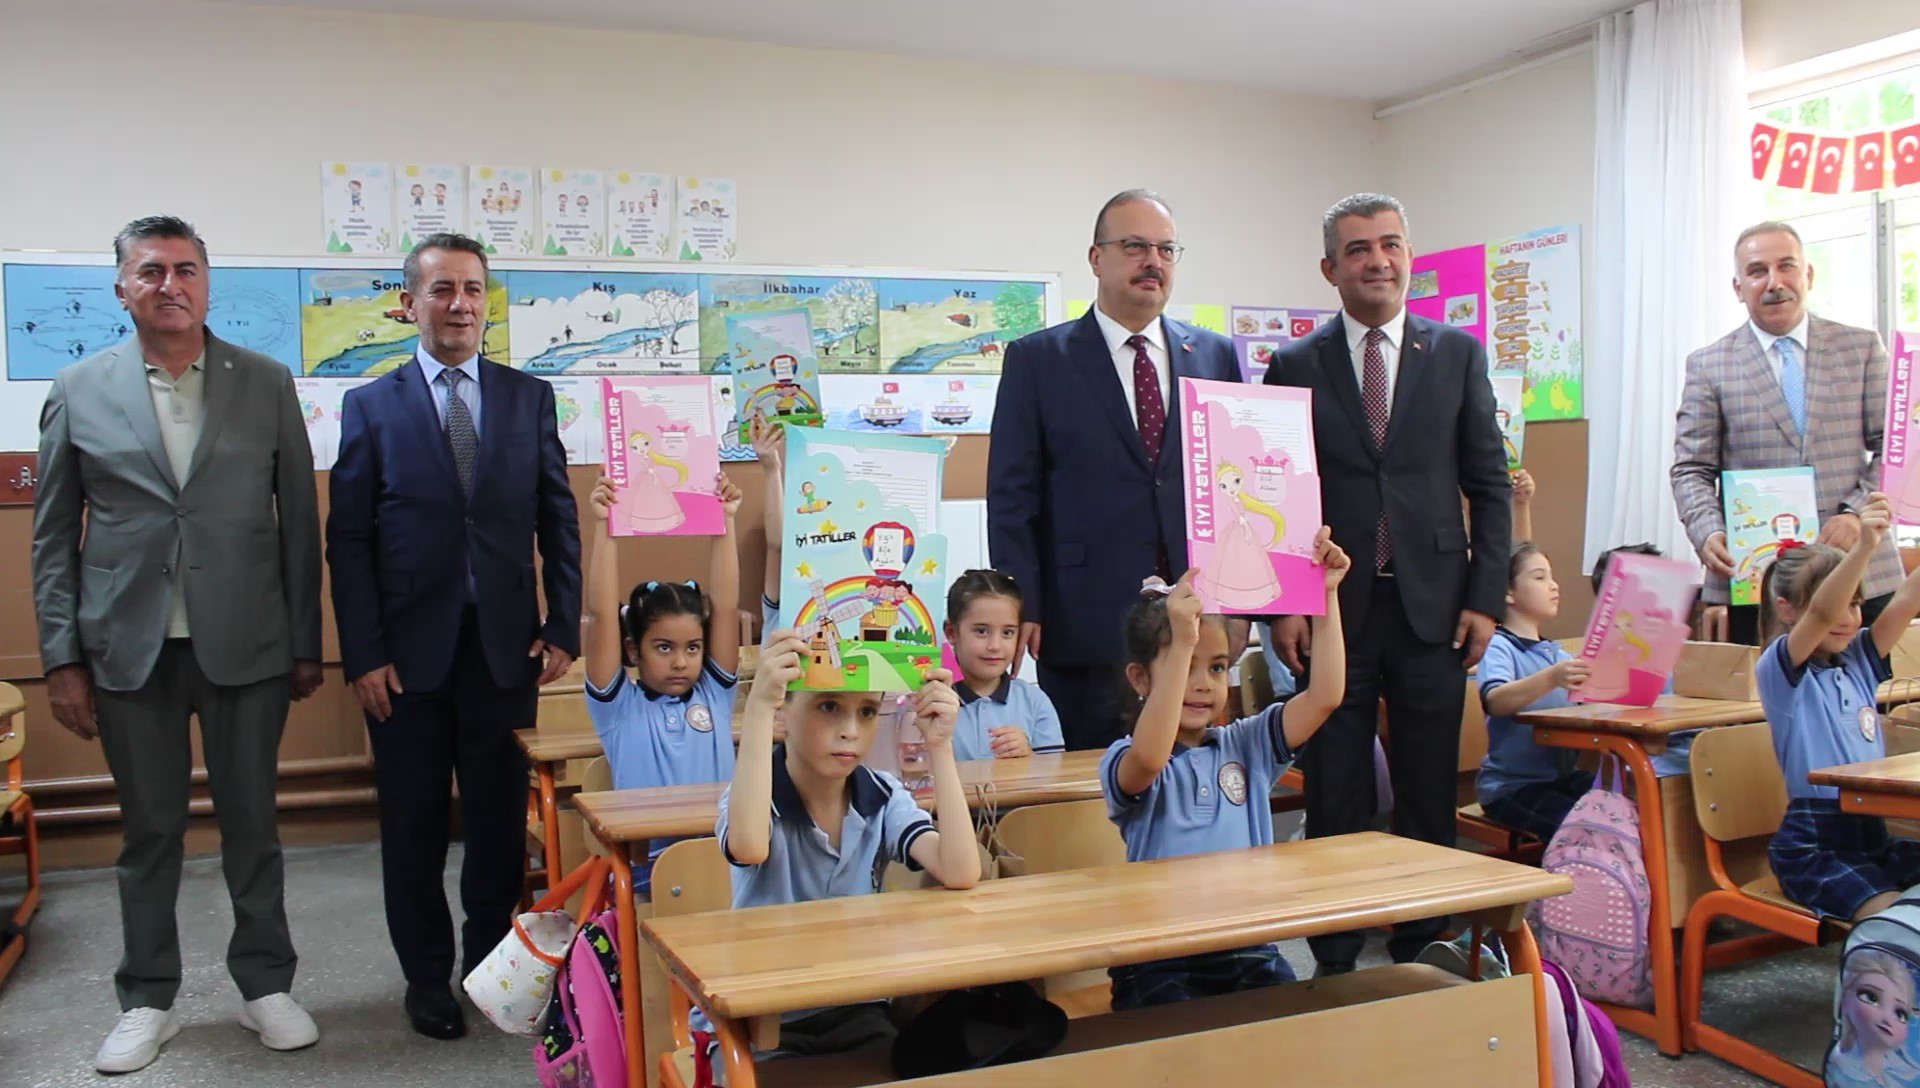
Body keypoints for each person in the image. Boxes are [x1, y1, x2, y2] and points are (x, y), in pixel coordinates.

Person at [31, 215, 323, 1073]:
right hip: (129, 650)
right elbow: (53, 538)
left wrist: (306, 642)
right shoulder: (79, 387)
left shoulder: (263, 381)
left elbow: (299, 524)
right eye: (152, 270)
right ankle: (146, 998)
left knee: (253, 825)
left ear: (206, 283)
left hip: (248, 645)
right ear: (122, 287)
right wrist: (62, 659)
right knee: (149, 832)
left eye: (186, 269)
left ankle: (265, 984)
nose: (171, 285)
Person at [326, 232, 582, 1040]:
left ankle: (487, 968)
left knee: (500, 825)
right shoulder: (371, 405)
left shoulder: (527, 397)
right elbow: (349, 540)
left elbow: (557, 517)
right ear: (411, 303)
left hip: (505, 650)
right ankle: (425, 978)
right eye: (442, 290)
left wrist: (563, 622)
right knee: (412, 827)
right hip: (404, 659)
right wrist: (363, 653)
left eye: (473, 289)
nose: (460, 305)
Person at [1264, 193, 1510, 975]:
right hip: (1333, 612)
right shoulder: (1294, 364)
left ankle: (1423, 945)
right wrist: (1286, 605)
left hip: (1435, 606)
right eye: (1359, 249)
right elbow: (1276, 491)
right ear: (1330, 268)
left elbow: (1490, 484)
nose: (1378, 261)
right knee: (1335, 787)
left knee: (1428, 786)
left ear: (1409, 256)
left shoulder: (1458, 353)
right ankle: (1335, 953)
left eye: (1391, 244)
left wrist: (1486, 598)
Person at [988, 189, 1239, 751]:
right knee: (1089, 780)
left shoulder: (1215, 356)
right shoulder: (1039, 360)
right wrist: (1020, 600)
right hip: (1083, 617)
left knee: (1185, 776)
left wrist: (1243, 605)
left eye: (1166, 249)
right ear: (1096, 257)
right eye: (1134, 246)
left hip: (1194, 620)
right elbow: (1012, 496)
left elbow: (1233, 489)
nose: (1153, 261)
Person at [1101, 532, 1348, 1009]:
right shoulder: (1124, 756)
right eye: (1184, 665)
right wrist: (1183, 638)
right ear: (1140, 678)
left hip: (1247, 945)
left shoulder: (1247, 744)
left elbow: (1325, 696)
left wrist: (1326, 597)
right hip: (1159, 954)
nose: (1202, 684)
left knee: (1294, 1023)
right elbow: (1150, 759)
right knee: (1178, 1039)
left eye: (1216, 668)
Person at [718, 633, 980, 1061]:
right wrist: (759, 708)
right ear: (784, 711)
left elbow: (961, 871)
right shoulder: (753, 794)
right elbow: (749, 847)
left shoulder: (882, 794)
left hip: (856, 1009)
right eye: (828, 707)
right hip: (760, 1021)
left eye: (868, 711)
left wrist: (940, 746)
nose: (851, 731)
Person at [1672, 221, 1898, 646]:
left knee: (1876, 685)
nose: (1774, 282)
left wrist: (1856, 514)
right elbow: (1691, 469)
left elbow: (1894, 448)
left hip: (1859, 567)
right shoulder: (1709, 365)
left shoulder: (1862, 347)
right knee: (1765, 688)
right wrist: (1708, 532)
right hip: (1758, 577)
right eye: (1757, 271)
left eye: (1786, 266)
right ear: (1739, 287)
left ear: (1807, 274)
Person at [1758, 492, 1920, 923]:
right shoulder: (1781, 669)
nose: (1847, 617)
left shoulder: (1859, 660)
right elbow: (1823, 614)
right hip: (1814, 844)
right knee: (1896, 919)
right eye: (1839, 601)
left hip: (1872, 832)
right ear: (1786, 610)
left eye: (1856, 603)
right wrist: (1864, 546)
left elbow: (1907, 599)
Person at [582, 470, 745, 892]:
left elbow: (725, 608)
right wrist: (604, 524)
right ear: (634, 651)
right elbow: (601, 615)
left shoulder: (714, 693)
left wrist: (726, 522)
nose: (680, 662)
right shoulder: (619, 708)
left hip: (723, 862)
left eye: (693, 647)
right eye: (663, 647)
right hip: (647, 875)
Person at [1475, 544, 1593, 841]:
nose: (1554, 586)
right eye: (1540, 577)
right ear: (1508, 592)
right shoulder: (1499, 645)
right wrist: (1552, 678)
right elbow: (1495, 700)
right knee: (1583, 827)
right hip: (1513, 787)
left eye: (1551, 577)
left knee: (1622, 805)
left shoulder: (1558, 655)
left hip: (1563, 778)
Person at [941, 569, 1065, 761]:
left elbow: (1056, 772)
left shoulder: (1034, 701)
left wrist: (1029, 757)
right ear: (952, 632)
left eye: (1007, 633)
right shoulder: (932, 701)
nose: (995, 646)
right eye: (981, 631)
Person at [1828, 948, 1920, 1087]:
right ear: (1844, 998)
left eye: (1900, 1013)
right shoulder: (1843, 1071)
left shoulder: (1906, 1070)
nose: (1887, 1018)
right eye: (1871, 998)